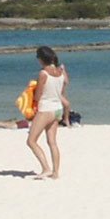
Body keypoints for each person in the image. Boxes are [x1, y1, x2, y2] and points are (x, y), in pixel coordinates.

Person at [26, 45, 70, 179]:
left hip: (46, 109)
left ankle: (46, 168)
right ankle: (56, 173)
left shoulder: (43, 73)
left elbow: (38, 96)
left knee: (31, 141)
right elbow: (66, 83)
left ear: (41, 59)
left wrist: (30, 92)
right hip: (58, 109)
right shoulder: (60, 71)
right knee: (52, 142)